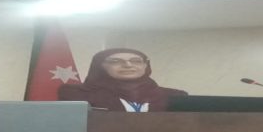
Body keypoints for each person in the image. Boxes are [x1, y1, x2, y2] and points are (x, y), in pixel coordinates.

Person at [58, 48, 186, 112]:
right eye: (115, 61)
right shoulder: (77, 94)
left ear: (145, 66)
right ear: (99, 66)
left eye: (136, 61)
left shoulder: (174, 95)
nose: (128, 65)